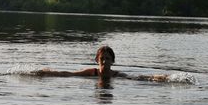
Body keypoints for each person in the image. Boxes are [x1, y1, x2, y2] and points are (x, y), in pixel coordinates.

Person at [36, 46, 169, 82]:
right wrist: (47, 72)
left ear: (113, 61)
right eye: (102, 59)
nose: (104, 61)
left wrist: (157, 77)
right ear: (97, 60)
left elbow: (138, 78)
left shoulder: (117, 75)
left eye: (107, 59)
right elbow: (68, 74)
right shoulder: (91, 72)